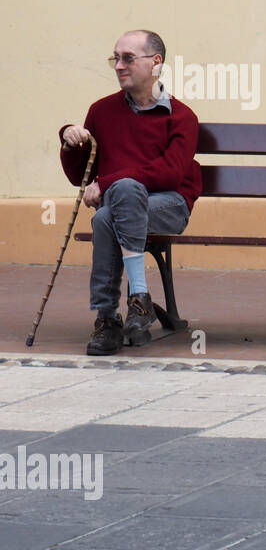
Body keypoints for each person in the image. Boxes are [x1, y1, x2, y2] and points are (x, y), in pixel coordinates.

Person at [59, 30, 202, 355]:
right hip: (121, 209)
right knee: (108, 215)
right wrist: (69, 141)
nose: (119, 66)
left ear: (155, 63)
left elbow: (170, 173)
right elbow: (79, 177)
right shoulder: (101, 111)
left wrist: (109, 183)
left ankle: (110, 315)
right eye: (116, 58)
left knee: (118, 197)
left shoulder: (180, 117)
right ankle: (121, 313)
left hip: (169, 206)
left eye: (128, 58)